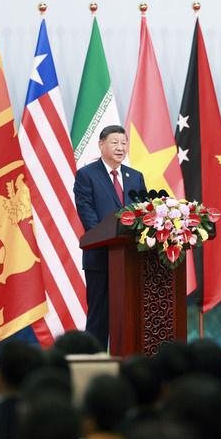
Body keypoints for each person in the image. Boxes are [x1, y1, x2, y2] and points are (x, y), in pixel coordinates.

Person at [74, 125, 147, 347]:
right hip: (100, 258)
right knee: (99, 315)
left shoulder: (135, 177)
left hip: (131, 259)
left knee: (131, 315)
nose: (120, 147)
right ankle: (93, 359)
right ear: (101, 145)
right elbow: (86, 212)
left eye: (124, 143)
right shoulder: (87, 175)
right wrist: (106, 238)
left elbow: (144, 213)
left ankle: (130, 358)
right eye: (115, 143)